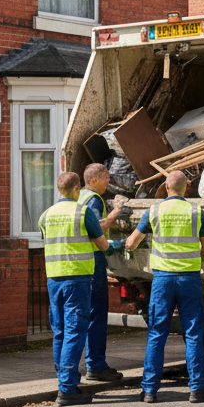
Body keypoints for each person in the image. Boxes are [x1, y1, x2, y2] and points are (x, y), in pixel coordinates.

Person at [119, 171, 204, 403]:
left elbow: (132, 243)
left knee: (157, 334)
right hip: (189, 279)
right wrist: (196, 260)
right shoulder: (195, 211)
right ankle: (198, 389)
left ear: (165, 186)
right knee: (192, 334)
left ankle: (150, 391)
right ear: (187, 188)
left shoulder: (154, 211)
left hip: (163, 280)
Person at [39, 171, 112, 407]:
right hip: (77, 279)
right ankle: (67, 390)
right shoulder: (83, 212)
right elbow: (101, 244)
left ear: (59, 190)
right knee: (74, 331)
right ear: (78, 189)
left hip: (54, 280)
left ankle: (64, 382)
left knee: (59, 332)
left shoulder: (46, 215)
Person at [78, 163, 125, 382]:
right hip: (94, 261)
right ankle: (96, 364)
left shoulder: (80, 198)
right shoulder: (93, 199)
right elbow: (98, 226)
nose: (109, 180)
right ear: (94, 180)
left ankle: (86, 364)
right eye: (106, 177)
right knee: (97, 314)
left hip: (80, 262)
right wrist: (117, 211)